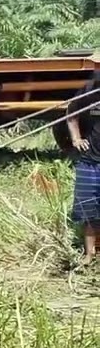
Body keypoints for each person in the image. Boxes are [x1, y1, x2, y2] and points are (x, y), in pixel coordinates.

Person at [66, 65, 100, 264]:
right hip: (89, 161)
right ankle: (89, 254)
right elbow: (71, 114)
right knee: (88, 209)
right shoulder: (88, 91)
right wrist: (76, 139)